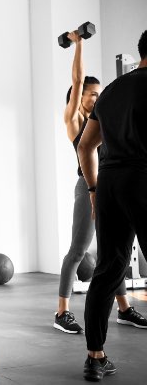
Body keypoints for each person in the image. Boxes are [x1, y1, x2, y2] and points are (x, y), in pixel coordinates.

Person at [54, 31, 147, 334]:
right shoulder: (75, 119)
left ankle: (124, 308)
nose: (95, 96)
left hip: (109, 184)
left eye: (98, 93)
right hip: (89, 185)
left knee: (112, 254)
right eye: (90, 93)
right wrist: (78, 44)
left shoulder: (106, 112)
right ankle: (62, 311)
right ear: (78, 97)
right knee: (79, 250)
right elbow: (77, 78)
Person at [78, 30, 147, 381]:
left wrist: (93, 189)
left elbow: (85, 146)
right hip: (143, 179)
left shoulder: (111, 92)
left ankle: (95, 357)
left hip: (109, 184)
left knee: (107, 269)